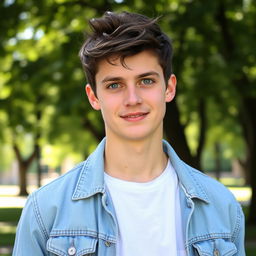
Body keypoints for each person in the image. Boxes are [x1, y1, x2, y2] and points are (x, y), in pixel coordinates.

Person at [13, 11, 245, 256]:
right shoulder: (46, 209)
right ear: (94, 97)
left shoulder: (222, 206)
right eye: (115, 85)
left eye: (146, 81)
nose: (132, 99)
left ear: (169, 88)